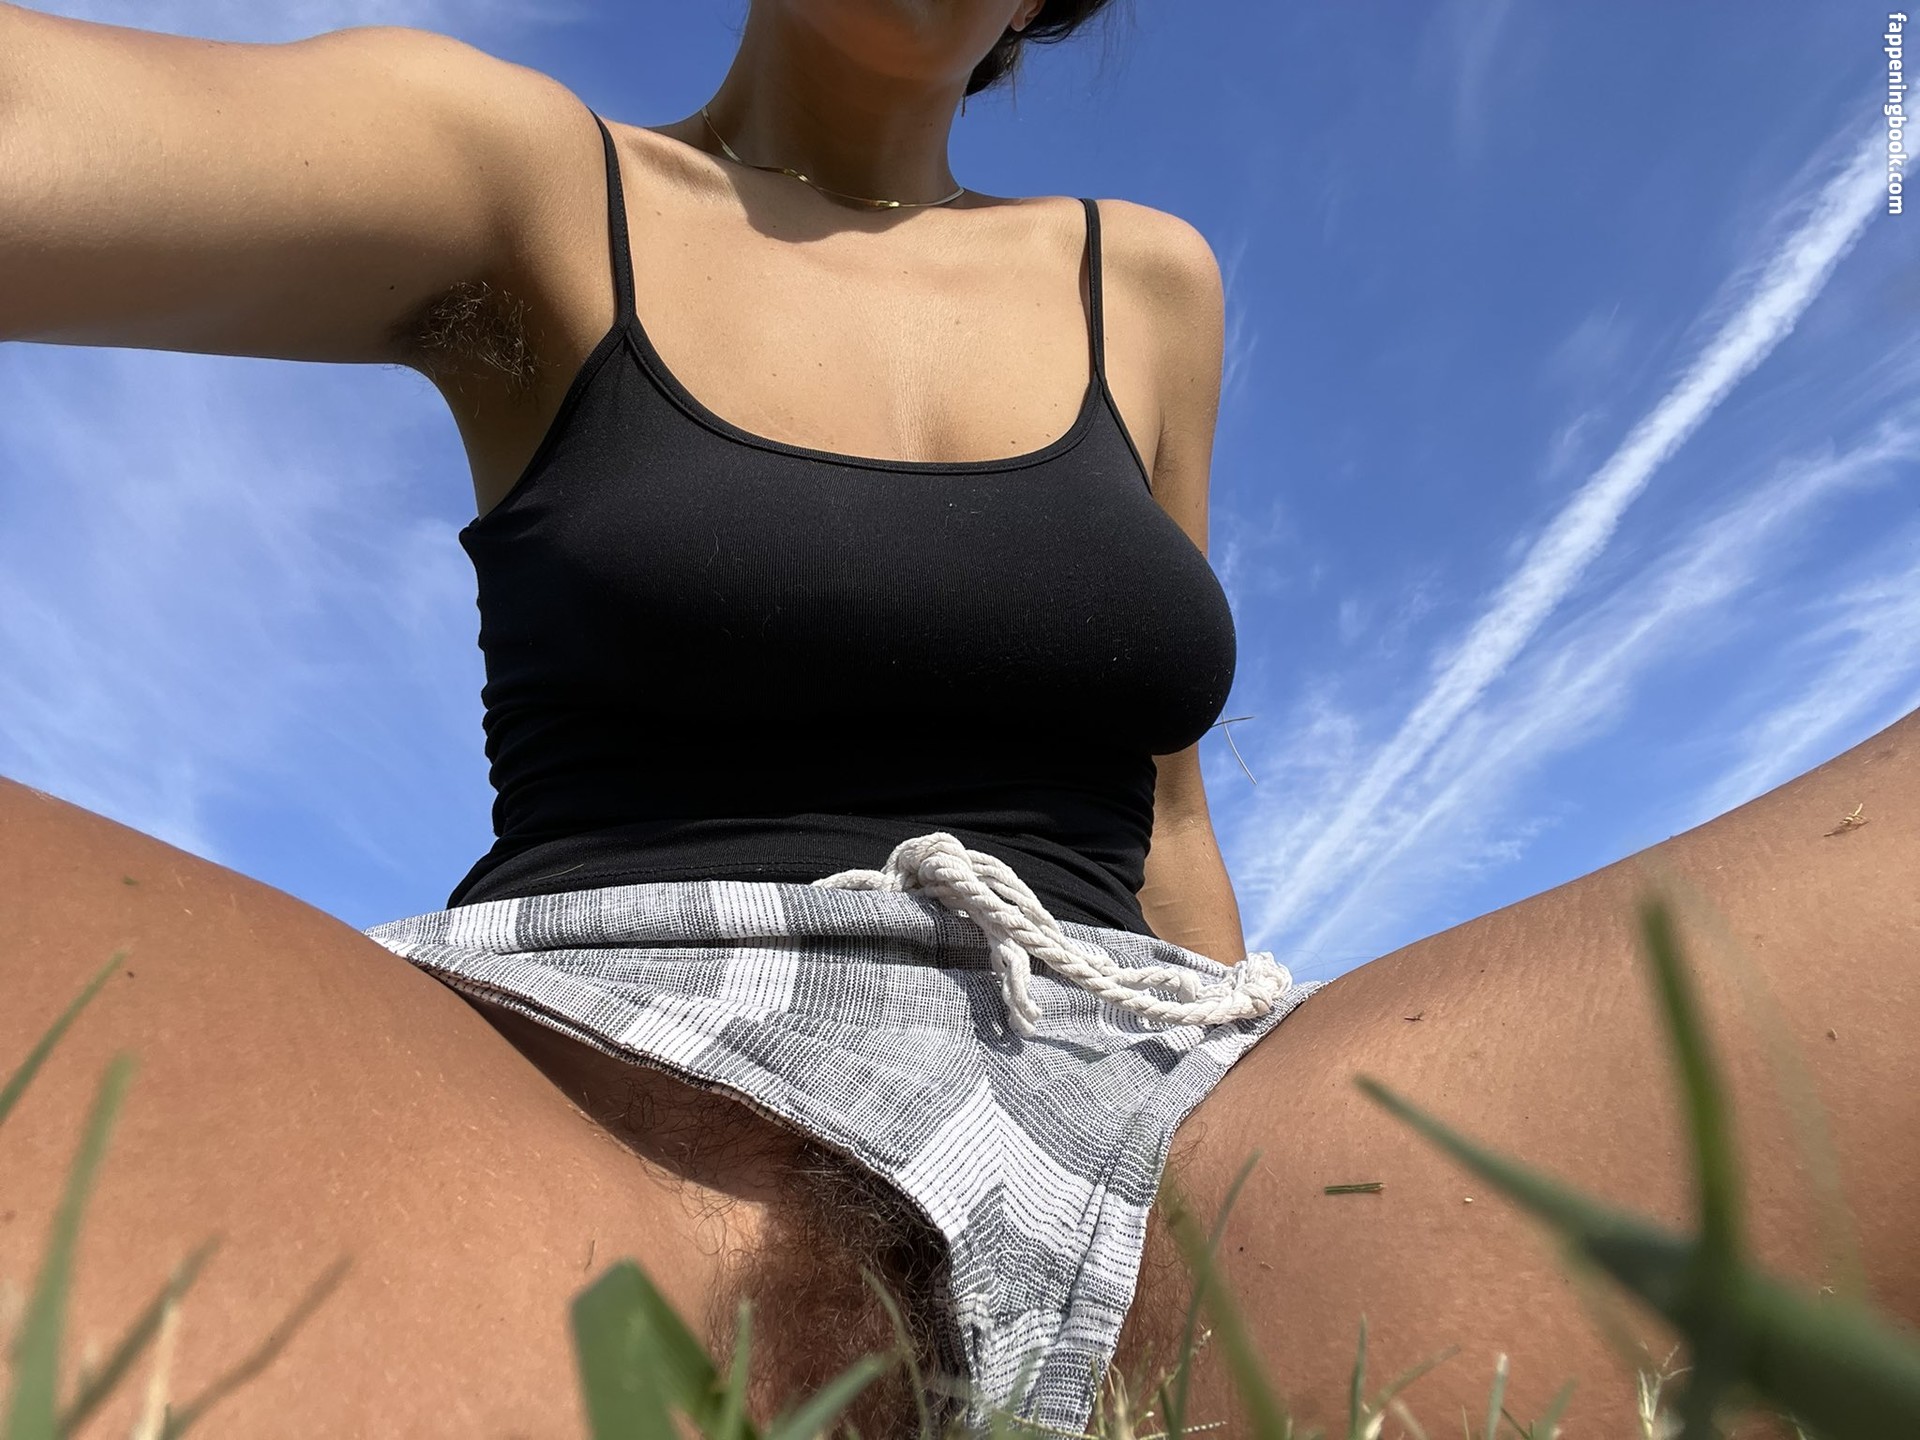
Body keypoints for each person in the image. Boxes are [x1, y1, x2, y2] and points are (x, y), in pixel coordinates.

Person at [1, 2, 1915, 1436]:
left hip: (1163, 1121)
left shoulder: (1144, 281)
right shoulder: (521, 177)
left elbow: (1169, 814)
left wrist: (1249, 1096)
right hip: (587, 1107)